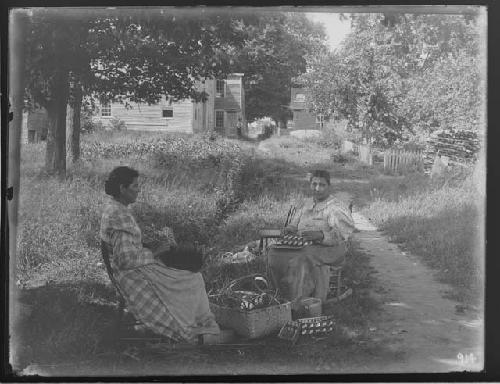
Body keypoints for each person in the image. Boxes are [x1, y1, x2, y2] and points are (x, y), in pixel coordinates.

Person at [100, 166, 221, 344]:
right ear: (121, 188)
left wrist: (149, 246)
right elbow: (124, 259)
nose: (138, 189)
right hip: (133, 276)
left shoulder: (114, 208)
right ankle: (189, 329)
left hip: (133, 269)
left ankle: (194, 323)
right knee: (193, 279)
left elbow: (126, 247)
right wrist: (155, 252)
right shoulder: (119, 215)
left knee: (187, 274)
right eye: (134, 186)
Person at [267, 170, 355, 309]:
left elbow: (342, 234)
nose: (317, 188)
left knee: (301, 259)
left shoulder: (335, 207)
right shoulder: (306, 204)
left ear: (329, 186)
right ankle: (279, 295)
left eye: (322, 185)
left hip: (330, 249)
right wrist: (290, 229)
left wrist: (321, 235)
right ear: (310, 185)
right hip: (304, 245)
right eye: (314, 184)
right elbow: (294, 224)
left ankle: (299, 303)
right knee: (274, 253)